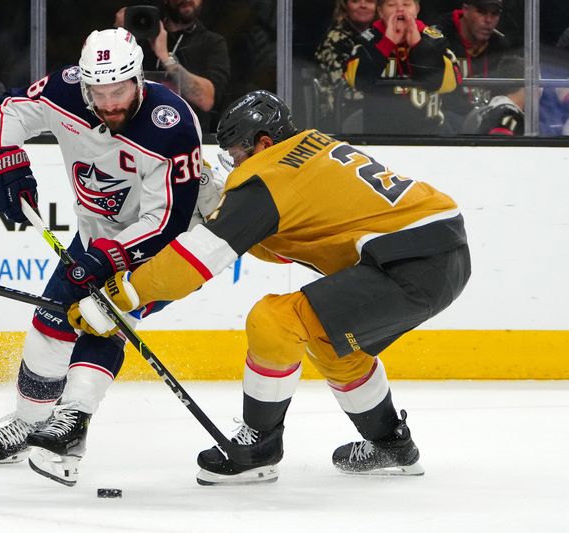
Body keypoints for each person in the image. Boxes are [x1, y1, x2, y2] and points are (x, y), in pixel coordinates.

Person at [70, 90, 471, 484]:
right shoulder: (313, 149)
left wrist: (119, 296)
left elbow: (195, 263)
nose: (236, 164)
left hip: (410, 260)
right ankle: (392, 444)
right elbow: (280, 247)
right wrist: (221, 211)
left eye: (238, 154)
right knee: (329, 340)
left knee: (275, 320)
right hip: (440, 249)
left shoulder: (270, 176)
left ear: (264, 142)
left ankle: (257, 448)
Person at [0, 27, 224, 486]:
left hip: (170, 249)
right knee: (50, 324)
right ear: (84, 84)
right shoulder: (67, 89)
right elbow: (11, 110)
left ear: (138, 80)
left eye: (120, 90)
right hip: (97, 238)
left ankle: (71, 426)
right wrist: (2, 159)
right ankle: (28, 422)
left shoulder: (173, 124)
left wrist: (110, 258)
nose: (109, 103)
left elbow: (167, 218)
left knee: (100, 315)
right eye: (99, 92)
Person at [344, 0, 462, 134]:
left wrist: (419, 47)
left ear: (417, 10)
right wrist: (386, 44)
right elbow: (356, 80)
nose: (400, 9)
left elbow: (451, 83)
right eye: (392, 5)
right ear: (381, 12)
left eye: (406, 4)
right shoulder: (367, 41)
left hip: (430, 134)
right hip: (379, 136)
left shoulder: (434, 40)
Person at [114, 0, 230, 132]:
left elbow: (206, 100)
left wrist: (165, 57)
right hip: (137, 136)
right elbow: (110, 84)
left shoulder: (212, 43)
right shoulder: (138, 39)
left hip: (187, 138)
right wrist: (118, 35)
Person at [434, 0, 510, 131]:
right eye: (481, 12)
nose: (488, 20)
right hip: (447, 121)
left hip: (486, 121)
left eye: (495, 14)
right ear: (466, 10)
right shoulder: (439, 40)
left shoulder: (500, 45)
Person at [314, 0, 377, 129]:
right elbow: (344, 91)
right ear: (344, 5)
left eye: (370, 1)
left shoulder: (378, 37)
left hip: (368, 110)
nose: (363, 5)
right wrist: (387, 96)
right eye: (355, 1)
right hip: (337, 116)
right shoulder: (335, 39)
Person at [462, 55, 527, 135]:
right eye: (538, 79)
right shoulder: (508, 114)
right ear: (526, 84)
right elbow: (499, 145)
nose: (541, 87)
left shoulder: (495, 108)